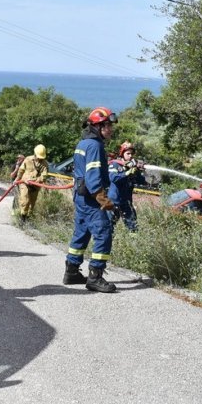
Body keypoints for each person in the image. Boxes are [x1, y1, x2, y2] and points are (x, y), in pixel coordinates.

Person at [64, 107, 119, 293]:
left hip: (80, 197)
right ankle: (95, 276)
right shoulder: (95, 146)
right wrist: (104, 200)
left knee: (82, 232)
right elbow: (93, 176)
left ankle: (71, 272)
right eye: (107, 126)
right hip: (92, 198)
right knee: (103, 232)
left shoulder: (83, 143)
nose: (110, 129)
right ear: (97, 126)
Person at [107, 141, 145, 232]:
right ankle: (108, 244)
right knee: (109, 227)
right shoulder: (115, 164)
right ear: (122, 153)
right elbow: (113, 178)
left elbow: (142, 181)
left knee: (133, 226)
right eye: (128, 153)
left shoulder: (132, 167)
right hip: (114, 201)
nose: (130, 156)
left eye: (132, 154)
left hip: (126, 202)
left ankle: (133, 243)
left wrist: (138, 171)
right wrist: (127, 173)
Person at [13, 144, 49, 221]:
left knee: (32, 203)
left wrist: (37, 180)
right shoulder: (28, 159)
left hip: (35, 185)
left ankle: (28, 218)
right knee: (25, 200)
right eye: (38, 156)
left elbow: (44, 175)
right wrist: (17, 179)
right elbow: (21, 170)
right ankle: (22, 218)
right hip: (24, 183)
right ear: (35, 154)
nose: (39, 158)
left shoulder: (45, 164)